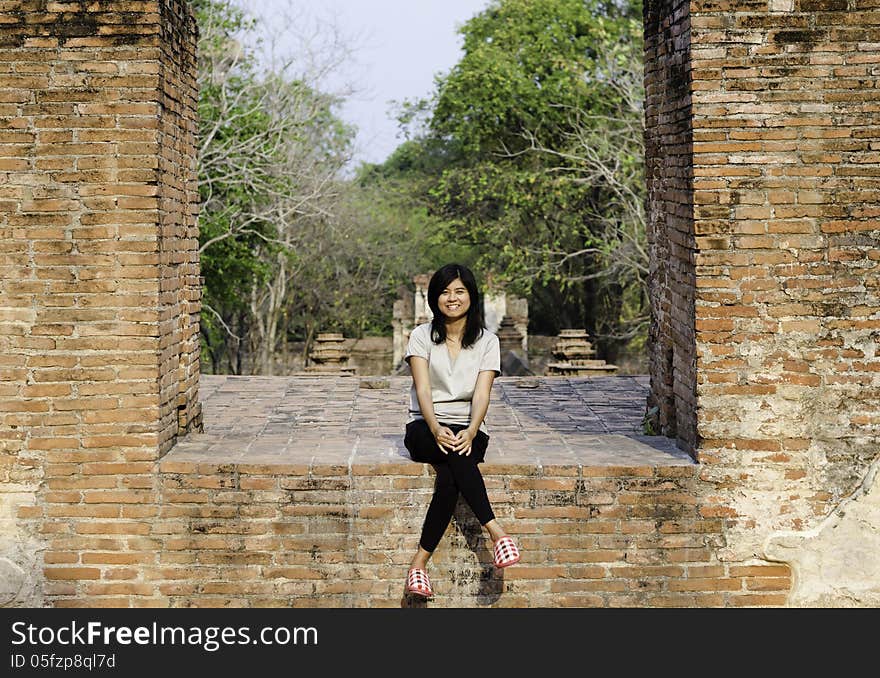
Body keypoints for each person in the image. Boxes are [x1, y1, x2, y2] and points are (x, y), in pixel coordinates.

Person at [402, 263, 520, 599]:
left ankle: (418, 567)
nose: (451, 299)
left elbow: (482, 393)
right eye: (444, 292)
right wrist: (437, 427)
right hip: (426, 425)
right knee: (454, 462)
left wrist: (470, 430)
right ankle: (497, 533)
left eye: (459, 291)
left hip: (469, 426)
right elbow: (423, 390)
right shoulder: (421, 336)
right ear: (434, 297)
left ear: (471, 296)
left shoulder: (487, 341)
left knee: (451, 477)